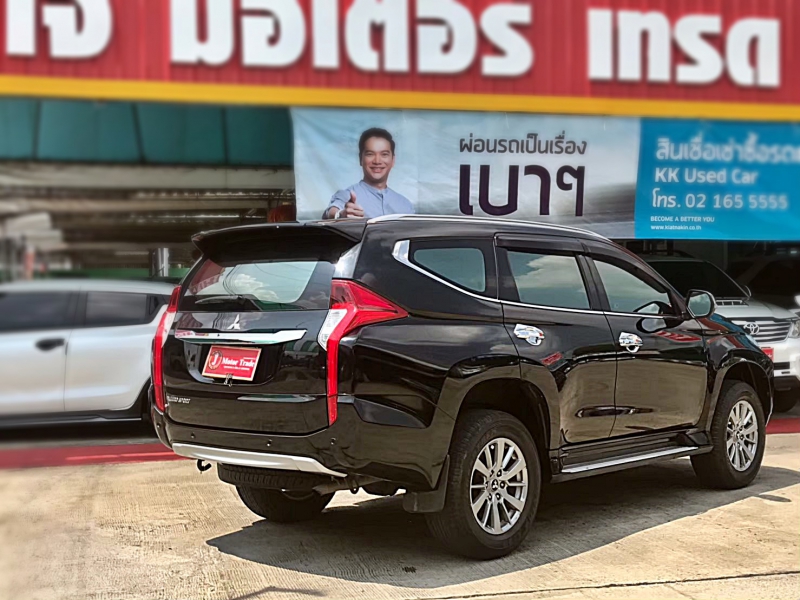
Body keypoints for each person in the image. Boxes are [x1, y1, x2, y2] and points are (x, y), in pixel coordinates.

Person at [323, 128, 415, 220]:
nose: (377, 161)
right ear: (360, 159)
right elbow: (330, 212)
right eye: (370, 154)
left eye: (384, 154)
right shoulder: (347, 196)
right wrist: (340, 215)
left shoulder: (406, 206)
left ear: (393, 160)